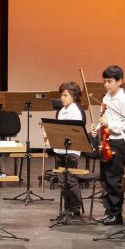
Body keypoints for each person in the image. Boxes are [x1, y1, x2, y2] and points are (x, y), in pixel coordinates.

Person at [94, 65, 125, 225]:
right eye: (104, 81)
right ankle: (108, 211)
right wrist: (97, 128)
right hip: (106, 141)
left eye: (109, 81)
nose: (106, 84)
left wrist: (109, 124)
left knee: (114, 179)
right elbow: (103, 118)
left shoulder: (124, 100)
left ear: (119, 81)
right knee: (104, 178)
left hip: (119, 143)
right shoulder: (106, 98)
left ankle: (116, 214)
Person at [51, 81, 87, 220]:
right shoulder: (61, 111)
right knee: (62, 180)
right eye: (61, 95)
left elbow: (75, 132)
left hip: (71, 151)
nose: (62, 97)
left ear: (74, 96)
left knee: (71, 180)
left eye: (65, 95)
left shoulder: (76, 111)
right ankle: (67, 208)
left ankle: (75, 209)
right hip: (60, 150)